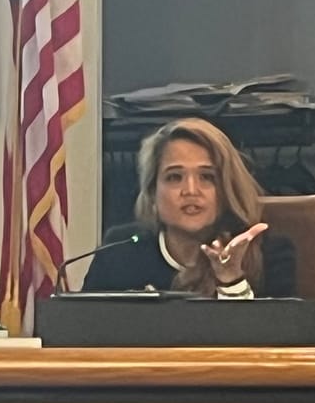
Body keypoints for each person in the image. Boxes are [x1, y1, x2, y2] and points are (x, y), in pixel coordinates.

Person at [83, 117, 297, 297]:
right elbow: (83, 329)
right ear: (152, 192)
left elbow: (272, 333)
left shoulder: (268, 254)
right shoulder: (119, 252)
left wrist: (231, 282)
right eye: (175, 177)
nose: (191, 190)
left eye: (207, 177)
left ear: (227, 189)